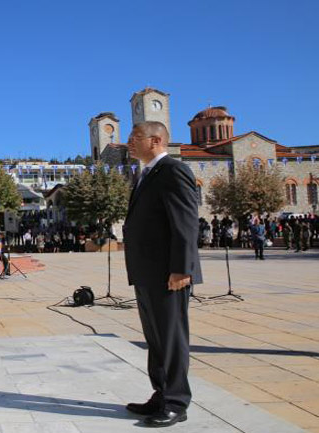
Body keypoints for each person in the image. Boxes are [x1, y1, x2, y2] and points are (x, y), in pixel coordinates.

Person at [123, 121, 202, 427]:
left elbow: (185, 222)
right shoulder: (145, 173)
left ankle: (176, 402)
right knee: (155, 338)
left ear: (156, 141)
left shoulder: (172, 170)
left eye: (135, 137)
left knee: (171, 338)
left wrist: (182, 268)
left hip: (168, 272)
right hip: (147, 271)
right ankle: (161, 394)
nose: (130, 142)